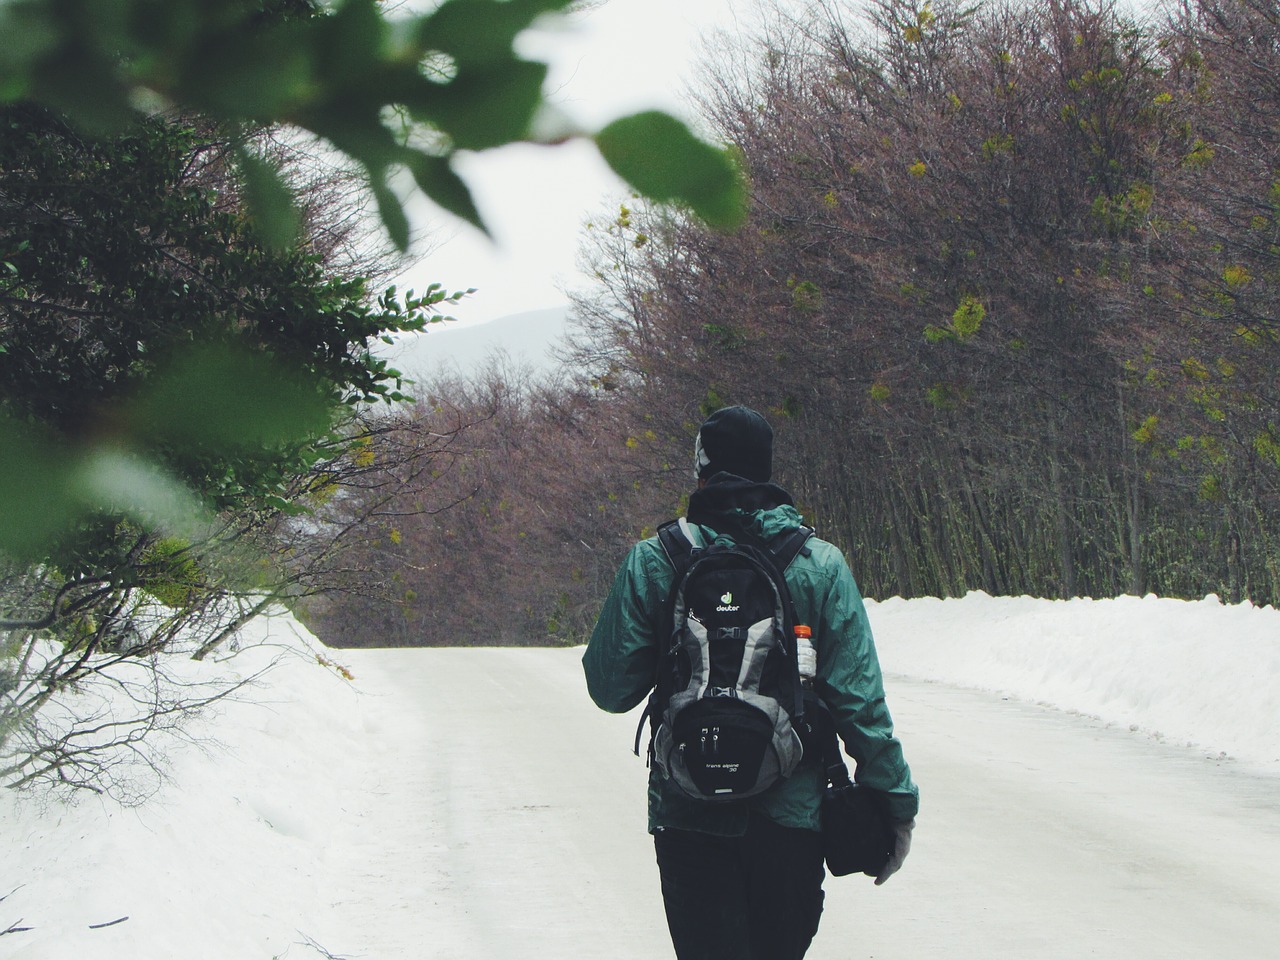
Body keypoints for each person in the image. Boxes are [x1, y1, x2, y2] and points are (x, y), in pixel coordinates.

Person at [583, 404, 919, 960]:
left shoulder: (655, 559)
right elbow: (861, 703)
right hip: (791, 819)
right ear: (767, 471)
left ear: (701, 470)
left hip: (688, 813)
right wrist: (895, 803)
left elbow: (610, 688)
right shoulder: (819, 563)